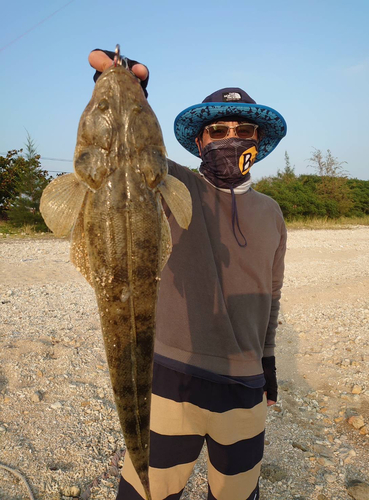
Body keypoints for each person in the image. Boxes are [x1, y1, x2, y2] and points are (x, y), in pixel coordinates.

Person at [89, 49, 287, 500]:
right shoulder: (170, 184)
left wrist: (269, 363)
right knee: (146, 491)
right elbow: (131, 159)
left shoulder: (272, 212)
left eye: (243, 130)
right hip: (170, 380)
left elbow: (271, 294)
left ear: (258, 141)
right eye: (217, 130)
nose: (230, 138)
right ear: (200, 142)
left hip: (244, 387)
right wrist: (129, 95)